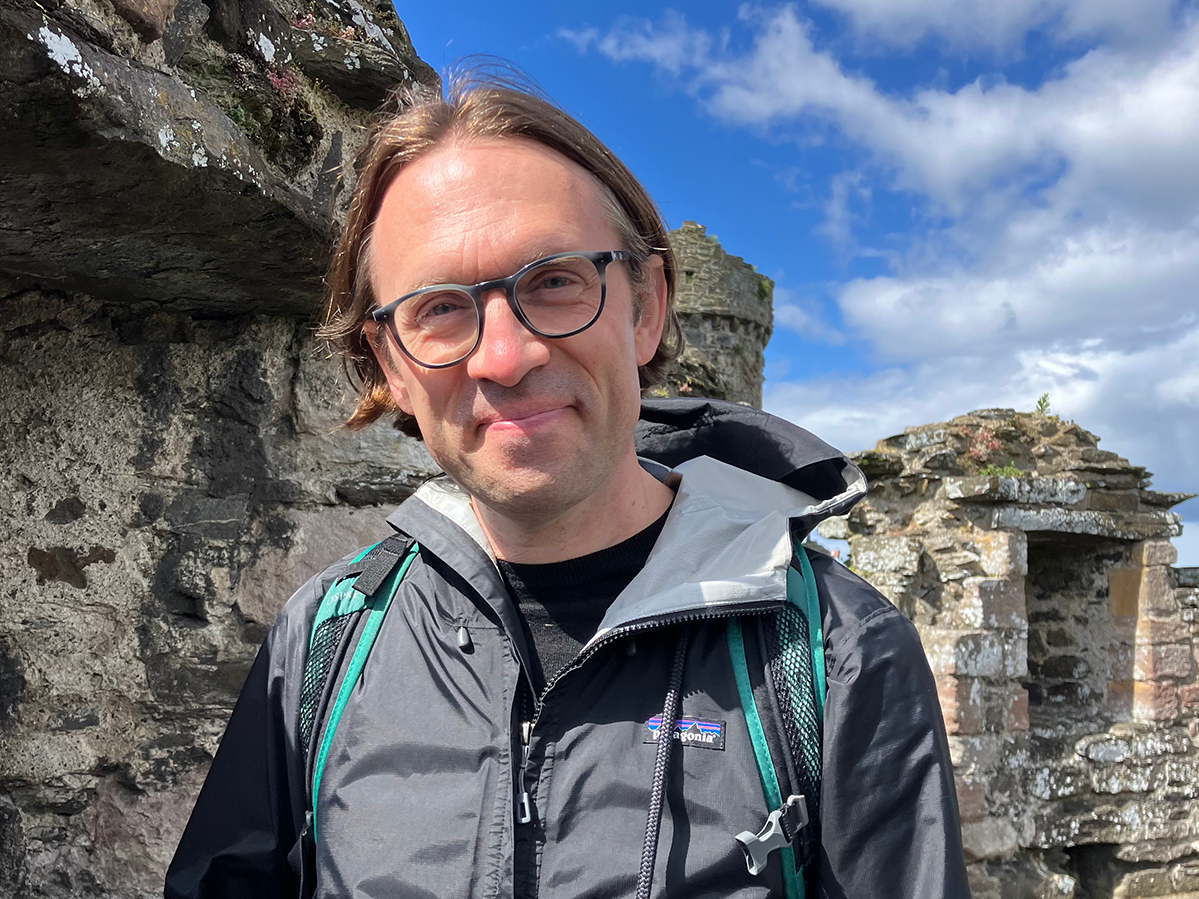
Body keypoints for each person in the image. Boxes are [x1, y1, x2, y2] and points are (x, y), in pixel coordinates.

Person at [165, 66, 969, 899]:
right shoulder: (323, 645)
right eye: (437, 307)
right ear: (390, 367)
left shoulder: (835, 654)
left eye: (553, 282)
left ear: (646, 305)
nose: (505, 357)